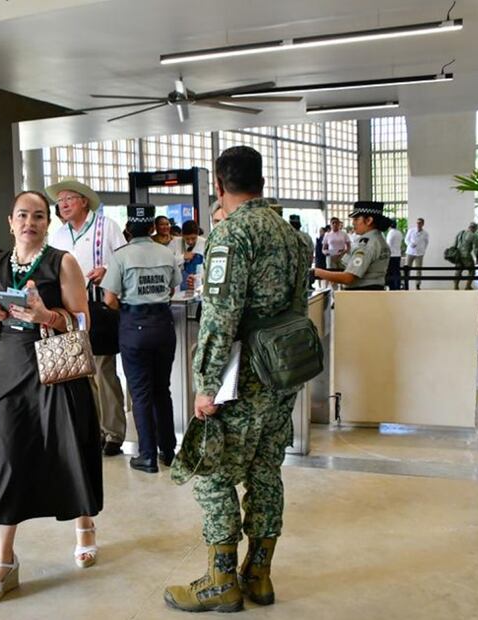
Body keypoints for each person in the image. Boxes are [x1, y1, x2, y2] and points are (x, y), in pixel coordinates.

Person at [163, 146, 308, 613]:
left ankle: (220, 580)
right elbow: (298, 311)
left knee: (214, 474)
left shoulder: (231, 235)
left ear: (219, 189)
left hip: (240, 381)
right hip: (282, 374)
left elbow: (220, 317)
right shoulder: (293, 237)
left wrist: (206, 385)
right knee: (266, 472)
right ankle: (259, 576)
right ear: (261, 183)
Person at [0, 190, 103, 605]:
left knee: (69, 450)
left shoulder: (61, 261)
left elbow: (83, 319)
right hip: (12, 373)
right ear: (10, 222)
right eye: (23, 216)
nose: (30, 223)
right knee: (10, 460)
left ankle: (84, 527)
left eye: (39, 216)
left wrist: (45, 315)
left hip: (57, 371)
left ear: (48, 223)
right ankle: (4, 561)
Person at [46, 178, 128, 456]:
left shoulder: (107, 227)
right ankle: (90, 429)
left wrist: (106, 269)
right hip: (69, 312)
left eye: (68, 198)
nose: (63, 205)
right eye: (60, 201)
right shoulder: (58, 235)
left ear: (84, 201)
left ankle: (113, 432)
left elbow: (123, 260)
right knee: (79, 373)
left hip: (99, 307)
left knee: (104, 370)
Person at [101, 204, 181, 473]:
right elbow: (172, 288)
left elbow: (109, 299)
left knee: (140, 393)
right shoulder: (166, 253)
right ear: (152, 228)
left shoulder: (120, 257)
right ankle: (168, 451)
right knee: (162, 390)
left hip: (134, 327)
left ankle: (146, 454)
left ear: (128, 229)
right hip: (163, 326)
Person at [314, 202, 392, 291]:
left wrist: (317, 272)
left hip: (361, 294)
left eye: (356, 219)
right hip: (374, 292)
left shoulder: (366, 244)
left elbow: (348, 278)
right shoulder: (378, 239)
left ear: (369, 220)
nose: (353, 223)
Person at [179, 219, 207, 293]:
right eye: (187, 239)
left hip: (199, 283)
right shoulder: (176, 242)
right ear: (182, 234)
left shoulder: (205, 243)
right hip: (181, 283)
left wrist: (199, 278)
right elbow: (171, 261)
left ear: (197, 234)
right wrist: (183, 257)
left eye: (193, 238)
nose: (190, 241)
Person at [404, 218, 430, 290]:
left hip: (419, 254)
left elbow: (426, 242)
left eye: (420, 223)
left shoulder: (425, 233)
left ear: (423, 224)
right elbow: (406, 239)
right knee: (407, 269)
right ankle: (406, 284)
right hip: (410, 252)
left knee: (419, 269)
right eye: (417, 223)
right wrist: (410, 244)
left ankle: (418, 284)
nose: (418, 224)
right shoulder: (411, 230)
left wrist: (423, 250)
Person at [453, 223, 478, 290]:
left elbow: (454, 245)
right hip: (466, 255)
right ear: (474, 228)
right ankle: (468, 286)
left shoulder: (460, 233)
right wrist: (477, 257)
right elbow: (475, 248)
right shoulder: (474, 236)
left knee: (458, 270)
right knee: (472, 271)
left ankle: (456, 286)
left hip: (458, 255)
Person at [385, 221, 404, 290]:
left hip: (391, 255)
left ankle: (392, 287)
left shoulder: (391, 233)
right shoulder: (399, 232)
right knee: (397, 271)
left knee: (390, 272)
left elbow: (388, 244)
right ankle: (397, 286)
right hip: (398, 254)